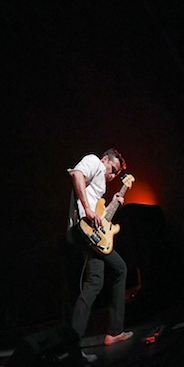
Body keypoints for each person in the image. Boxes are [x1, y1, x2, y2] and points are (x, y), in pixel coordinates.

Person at [66, 148, 133, 350]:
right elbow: (77, 174)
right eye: (112, 169)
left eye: (116, 174)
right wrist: (87, 209)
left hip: (92, 233)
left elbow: (100, 216)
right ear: (105, 159)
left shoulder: (100, 186)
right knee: (120, 269)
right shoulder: (94, 161)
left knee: (94, 282)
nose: (112, 176)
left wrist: (112, 204)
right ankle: (114, 330)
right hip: (84, 230)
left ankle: (72, 343)